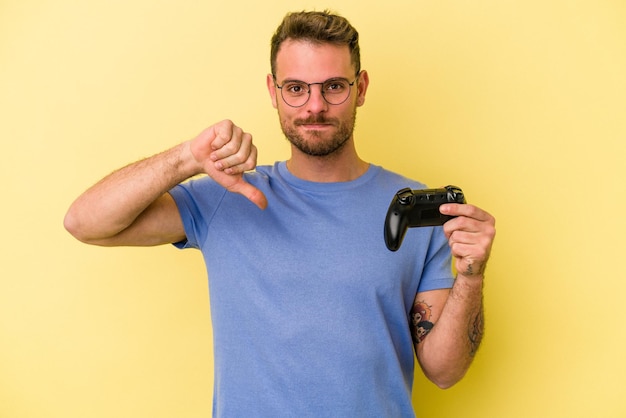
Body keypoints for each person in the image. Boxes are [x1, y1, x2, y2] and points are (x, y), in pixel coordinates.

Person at [64, 10, 496, 417]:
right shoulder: (228, 196)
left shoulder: (417, 212)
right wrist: (187, 158)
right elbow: (84, 222)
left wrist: (472, 276)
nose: (314, 106)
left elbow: (445, 371)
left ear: (360, 88)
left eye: (333, 86)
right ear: (273, 91)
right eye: (296, 88)